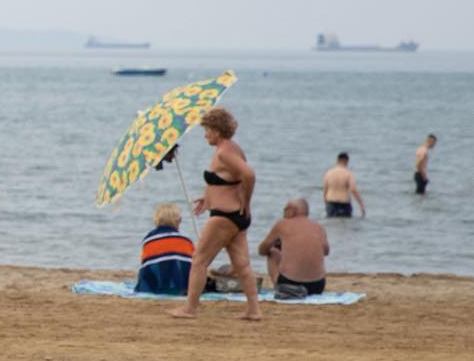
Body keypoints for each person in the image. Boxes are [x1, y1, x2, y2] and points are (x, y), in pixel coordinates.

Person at [170, 107, 260, 320]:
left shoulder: (224, 152)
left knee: (199, 260)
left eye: (207, 130)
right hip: (236, 217)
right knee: (242, 265)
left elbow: (248, 175)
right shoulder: (232, 149)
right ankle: (254, 310)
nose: (205, 135)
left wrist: (247, 202)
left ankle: (190, 308)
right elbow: (230, 180)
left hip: (224, 216)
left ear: (217, 130)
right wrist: (207, 197)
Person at [258, 198, 330, 298]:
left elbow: (262, 250)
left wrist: (277, 249)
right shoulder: (319, 227)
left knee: (272, 252)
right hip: (318, 285)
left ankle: (280, 288)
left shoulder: (282, 224)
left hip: (290, 283)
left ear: (292, 210)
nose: (284, 213)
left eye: (285, 209)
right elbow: (325, 251)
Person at [135, 203, 195, 296]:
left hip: (152, 287)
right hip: (183, 287)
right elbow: (192, 264)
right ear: (177, 221)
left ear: (157, 220)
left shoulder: (149, 240)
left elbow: (145, 264)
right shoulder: (186, 240)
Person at [321, 152, 364, 219]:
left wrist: (326, 204)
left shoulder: (328, 173)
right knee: (346, 224)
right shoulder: (348, 173)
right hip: (344, 204)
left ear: (337, 160)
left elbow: (325, 190)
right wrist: (361, 205)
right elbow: (353, 189)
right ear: (347, 161)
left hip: (331, 203)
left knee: (331, 224)